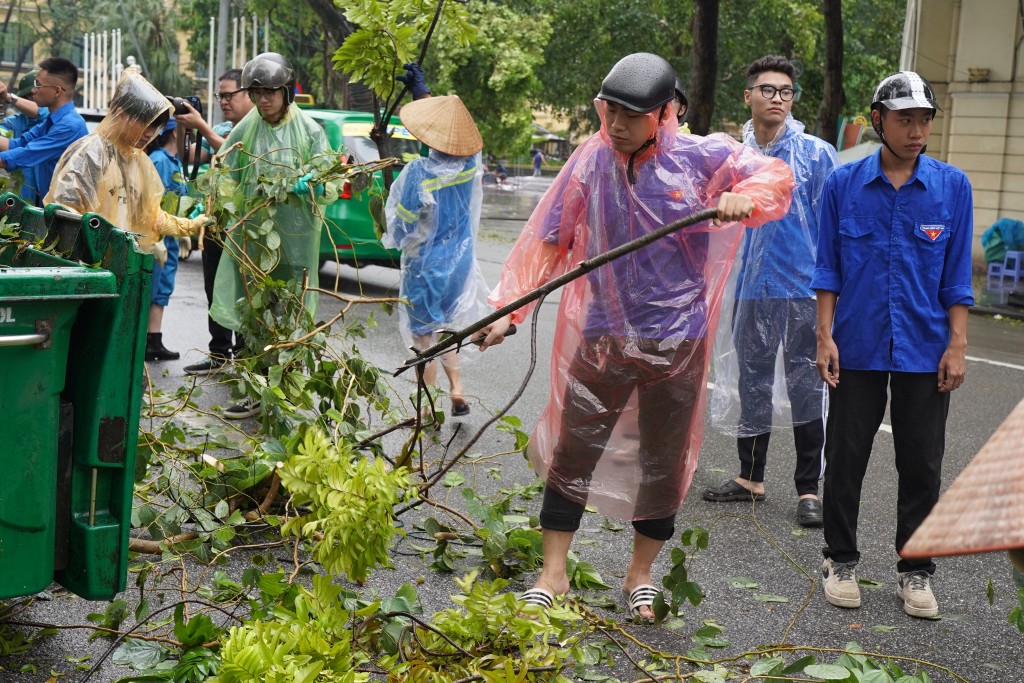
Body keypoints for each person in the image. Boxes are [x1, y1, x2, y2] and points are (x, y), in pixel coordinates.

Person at [478, 53, 794, 622]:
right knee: (572, 453)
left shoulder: (703, 157)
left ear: (665, 111)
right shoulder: (590, 162)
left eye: (631, 113)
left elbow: (773, 175)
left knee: (663, 460)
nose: (616, 123)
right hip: (602, 334)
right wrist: (510, 311)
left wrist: (745, 196)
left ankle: (640, 575)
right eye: (610, 110)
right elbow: (549, 241)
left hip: (678, 344)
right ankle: (553, 574)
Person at [813, 71, 973, 619]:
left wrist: (957, 345)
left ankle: (916, 571)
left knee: (923, 462)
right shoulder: (842, 185)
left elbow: (956, 279)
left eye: (924, 119)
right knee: (847, 456)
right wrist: (824, 335)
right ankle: (840, 558)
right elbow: (828, 269)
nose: (916, 130)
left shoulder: (953, 187)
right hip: (854, 344)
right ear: (879, 119)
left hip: (925, 348)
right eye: (905, 119)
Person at [704, 56, 839, 527]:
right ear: (748, 96)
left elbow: (832, 226)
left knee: (807, 388)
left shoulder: (817, 155)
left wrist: (832, 294)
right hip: (750, 290)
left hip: (802, 289)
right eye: (767, 89)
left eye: (786, 91)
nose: (777, 98)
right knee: (753, 384)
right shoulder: (731, 155)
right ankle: (750, 478)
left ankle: (808, 490)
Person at [208, 52, 332, 420]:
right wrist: (223, 206)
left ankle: (286, 393)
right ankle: (253, 391)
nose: (264, 99)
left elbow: (329, 183)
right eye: (258, 91)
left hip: (295, 242)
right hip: (253, 239)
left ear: (286, 91)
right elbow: (226, 170)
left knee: (291, 319)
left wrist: (308, 183)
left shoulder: (309, 131)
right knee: (255, 317)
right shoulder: (247, 126)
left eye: (271, 92)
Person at [382, 65, 491, 418]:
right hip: (459, 265)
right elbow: (446, 134)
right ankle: (457, 390)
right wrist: (422, 92)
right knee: (446, 327)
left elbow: (403, 228)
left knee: (423, 339)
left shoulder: (417, 173)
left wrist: (390, 235)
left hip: (425, 267)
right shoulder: (471, 165)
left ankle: (426, 409)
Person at [45, 70, 208, 296]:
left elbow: (149, 216)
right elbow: (66, 212)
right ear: (121, 114)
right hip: (88, 274)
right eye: (145, 123)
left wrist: (188, 226)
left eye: (155, 127)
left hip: (126, 272)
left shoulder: (139, 160)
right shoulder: (90, 153)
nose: (149, 133)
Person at [178, 69, 255, 376]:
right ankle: (219, 352)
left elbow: (235, 156)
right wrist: (184, 126)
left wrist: (203, 126)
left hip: (245, 225)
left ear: (247, 94)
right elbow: (194, 157)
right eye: (220, 95)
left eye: (229, 95)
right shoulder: (222, 126)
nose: (224, 101)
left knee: (242, 292)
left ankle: (247, 354)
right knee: (214, 288)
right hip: (215, 222)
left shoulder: (254, 128)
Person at [0, 58, 88, 205]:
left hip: (66, 217)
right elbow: (17, 144)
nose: (34, 90)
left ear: (57, 91)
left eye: (38, 85)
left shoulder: (69, 127)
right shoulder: (51, 122)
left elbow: (26, 153)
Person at [144, 119, 188, 361]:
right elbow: (151, 200)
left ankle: (154, 339)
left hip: (171, 235)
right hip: (158, 235)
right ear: (173, 132)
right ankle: (146, 341)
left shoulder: (175, 161)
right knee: (153, 288)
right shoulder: (160, 160)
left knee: (162, 289)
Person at [1, 70, 49, 138]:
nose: (35, 95)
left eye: (39, 90)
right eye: (30, 94)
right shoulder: (14, 122)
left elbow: (40, 111)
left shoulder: (57, 113)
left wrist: (7, 96)